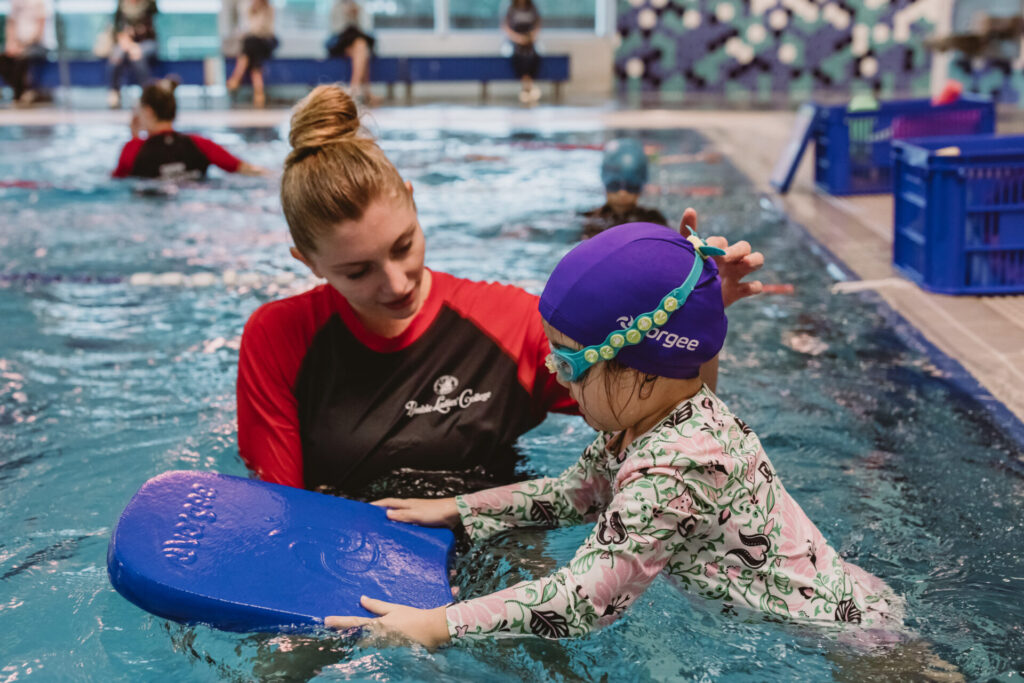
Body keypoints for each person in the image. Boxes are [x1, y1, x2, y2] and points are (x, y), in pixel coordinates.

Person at [323, 222, 902, 645]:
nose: (554, 373)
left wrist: (437, 625)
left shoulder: (679, 464)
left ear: (644, 365)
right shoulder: (644, 421)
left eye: (569, 361)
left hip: (848, 639)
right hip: (833, 603)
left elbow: (586, 600)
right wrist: (458, 508)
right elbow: (573, 494)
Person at [236, 84, 765, 501]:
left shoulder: (508, 323)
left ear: (414, 204)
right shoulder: (279, 338)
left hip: (492, 563)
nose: (396, 283)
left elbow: (671, 438)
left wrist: (694, 324)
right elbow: (278, 514)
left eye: (404, 246)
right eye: (357, 272)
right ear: (307, 263)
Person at [112, 78, 267, 179]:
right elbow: (246, 169)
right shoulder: (200, 144)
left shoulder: (133, 149)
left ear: (148, 112)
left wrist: (134, 138)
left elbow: (117, 179)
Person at [582, 138, 668, 239]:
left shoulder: (653, 219)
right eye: (615, 185)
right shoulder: (589, 220)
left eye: (631, 187)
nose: (622, 193)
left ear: (641, 187)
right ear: (605, 184)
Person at [106, 0, 158, 109]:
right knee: (116, 56)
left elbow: (151, 25)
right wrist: (126, 41)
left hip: (146, 41)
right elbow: (117, 27)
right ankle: (114, 92)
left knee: (137, 55)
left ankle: (146, 94)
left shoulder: (149, 4)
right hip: (126, 42)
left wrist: (135, 40)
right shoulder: (121, 4)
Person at [225, 0, 277, 108]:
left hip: (266, 41)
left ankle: (236, 79)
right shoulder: (247, 8)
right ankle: (259, 92)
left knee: (250, 43)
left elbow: (263, 30)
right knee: (252, 51)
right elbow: (245, 28)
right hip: (253, 45)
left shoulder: (269, 9)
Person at [325, 0, 376, 104]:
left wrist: (356, 16)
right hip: (341, 42)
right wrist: (347, 16)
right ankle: (365, 91)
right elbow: (336, 30)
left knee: (360, 47)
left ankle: (355, 87)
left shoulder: (360, 6)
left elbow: (366, 29)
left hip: (355, 43)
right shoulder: (336, 6)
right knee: (362, 48)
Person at [0, 0, 50, 105]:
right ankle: (19, 90)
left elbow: (40, 29)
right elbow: (11, 24)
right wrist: (11, 44)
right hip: (18, 45)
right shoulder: (15, 2)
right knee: (3, 59)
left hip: (37, 45)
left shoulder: (38, 2)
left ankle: (21, 93)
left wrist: (24, 46)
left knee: (22, 58)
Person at [502, 0, 541, 103]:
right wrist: (518, 38)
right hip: (515, 41)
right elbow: (505, 27)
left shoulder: (532, 7)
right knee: (519, 55)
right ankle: (527, 87)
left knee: (533, 55)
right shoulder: (511, 8)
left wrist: (530, 37)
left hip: (529, 41)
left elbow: (537, 24)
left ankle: (528, 86)